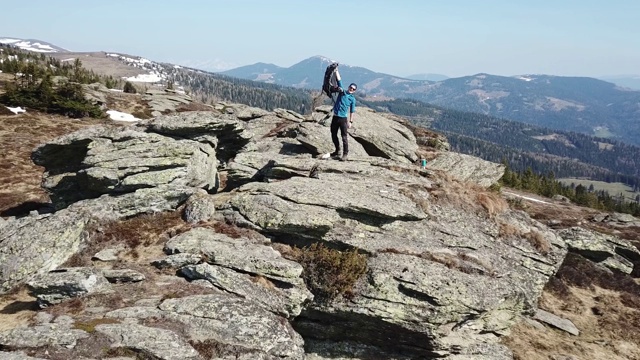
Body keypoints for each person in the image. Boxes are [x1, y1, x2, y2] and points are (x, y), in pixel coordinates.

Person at [330, 68, 357, 161]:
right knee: (333, 134)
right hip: (335, 117)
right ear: (348, 87)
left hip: (343, 119)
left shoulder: (352, 99)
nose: (351, 89)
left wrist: (351, 121)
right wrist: (336, 70)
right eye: (351, 87)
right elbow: (339, 80)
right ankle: (337, 150)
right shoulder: (342, 92)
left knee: (344, 137)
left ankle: (345, 154)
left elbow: (352, 111)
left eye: (353, 89)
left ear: (354, 91)